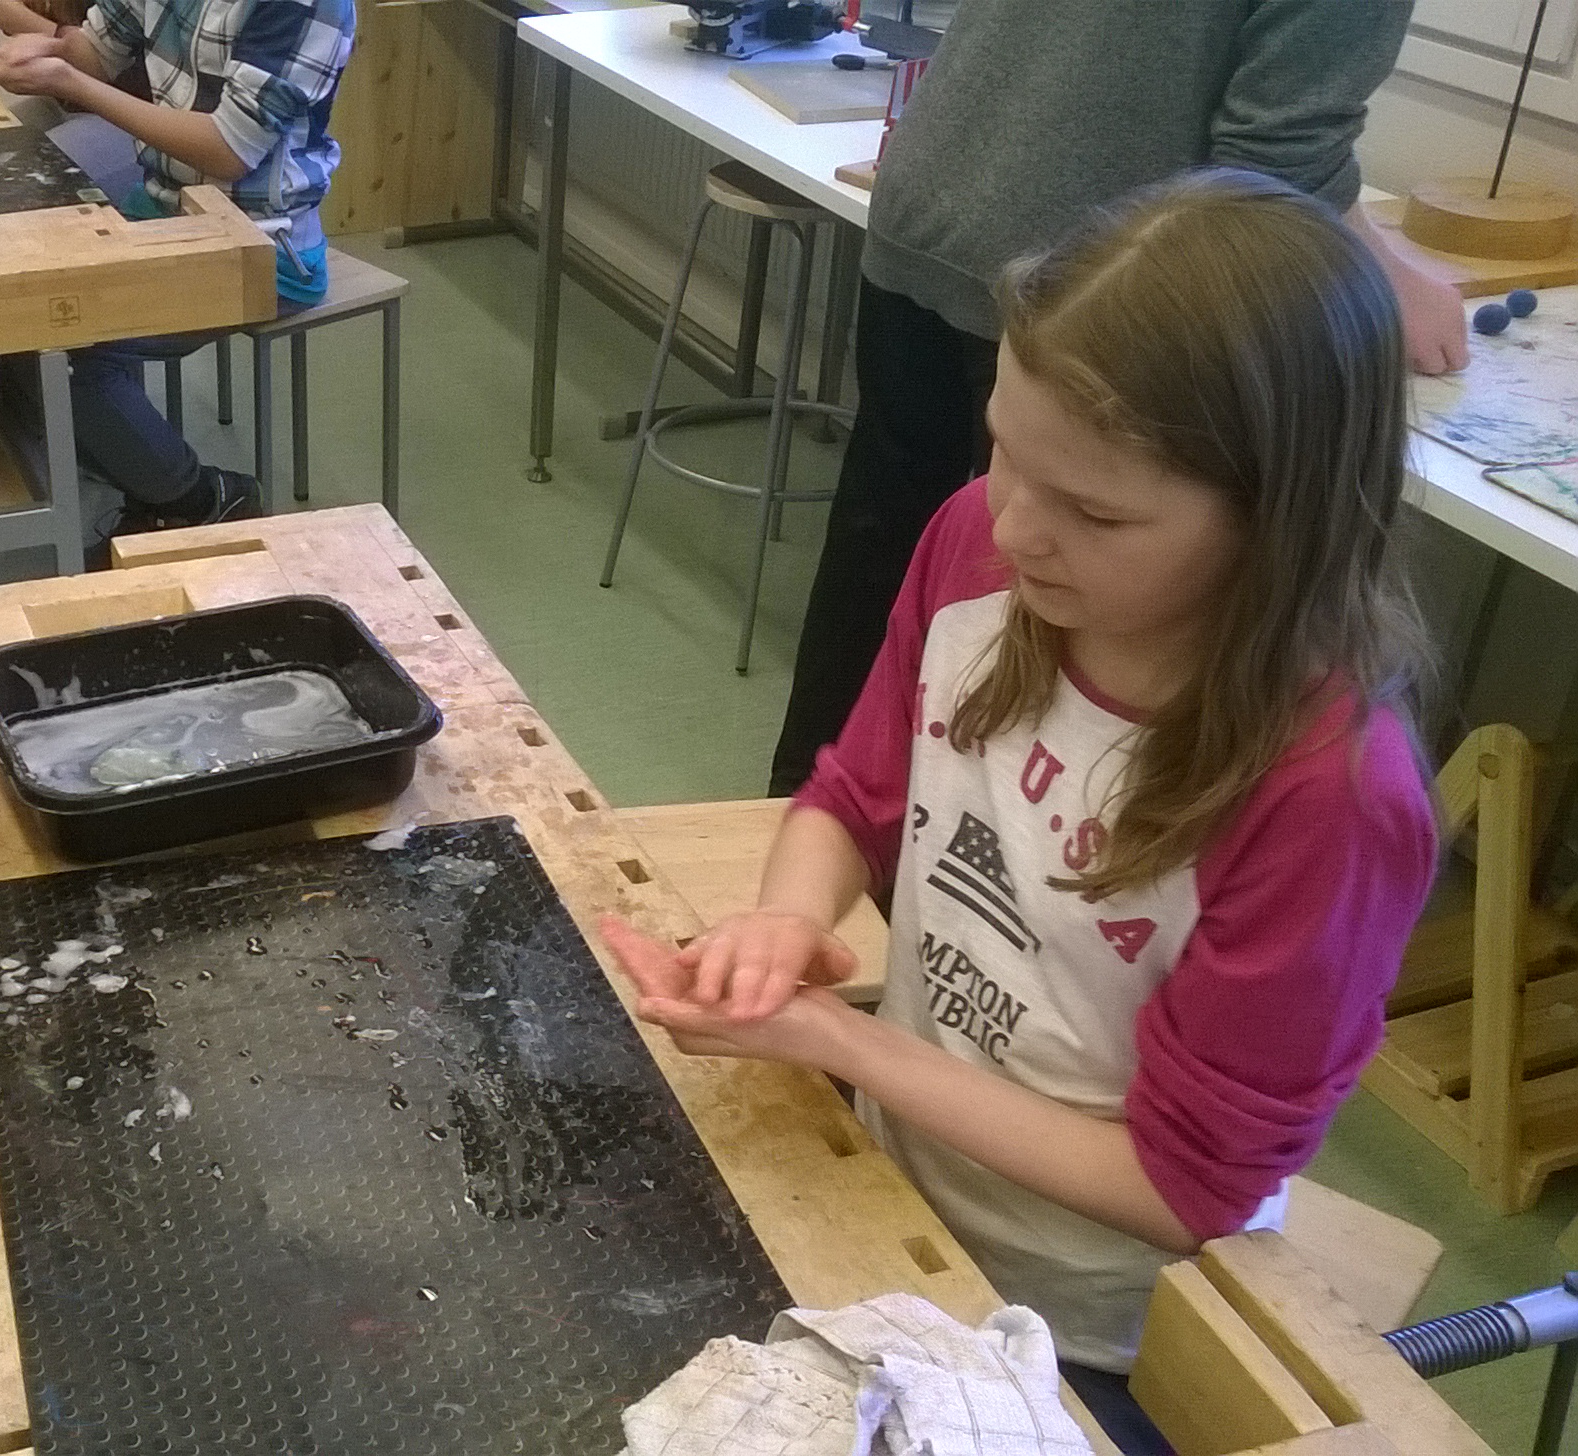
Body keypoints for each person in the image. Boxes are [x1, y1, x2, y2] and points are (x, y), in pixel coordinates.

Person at [598, 171, 1440, 1454]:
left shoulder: (1328, 794)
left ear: (1278, 519)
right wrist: (786, 920)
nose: (1018, 524)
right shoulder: (978, 552)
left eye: (1095, 509)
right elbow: (852, 796)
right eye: (1003, 448)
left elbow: (1186, 1188)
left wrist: (844, 1042)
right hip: (893, 1199)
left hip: (1087, 1332)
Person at [767, 0, 1467, 798]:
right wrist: (1393, 282)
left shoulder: (1347, 789)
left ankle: (802, 817)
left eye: (1100, 514)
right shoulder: (987, 518)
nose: (1012, 520)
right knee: (994, 623)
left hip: (947, 195)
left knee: (904, 563)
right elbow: (1272, 173)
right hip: (1092, 303)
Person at [0, 0, 353, 550]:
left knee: (62, 358)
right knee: (26, 338)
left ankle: (200, 500)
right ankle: (153, 489)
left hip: (261, 244)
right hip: (159, 209)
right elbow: (97, 50)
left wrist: (70, 82)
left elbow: (227, 150)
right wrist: (52, 50)